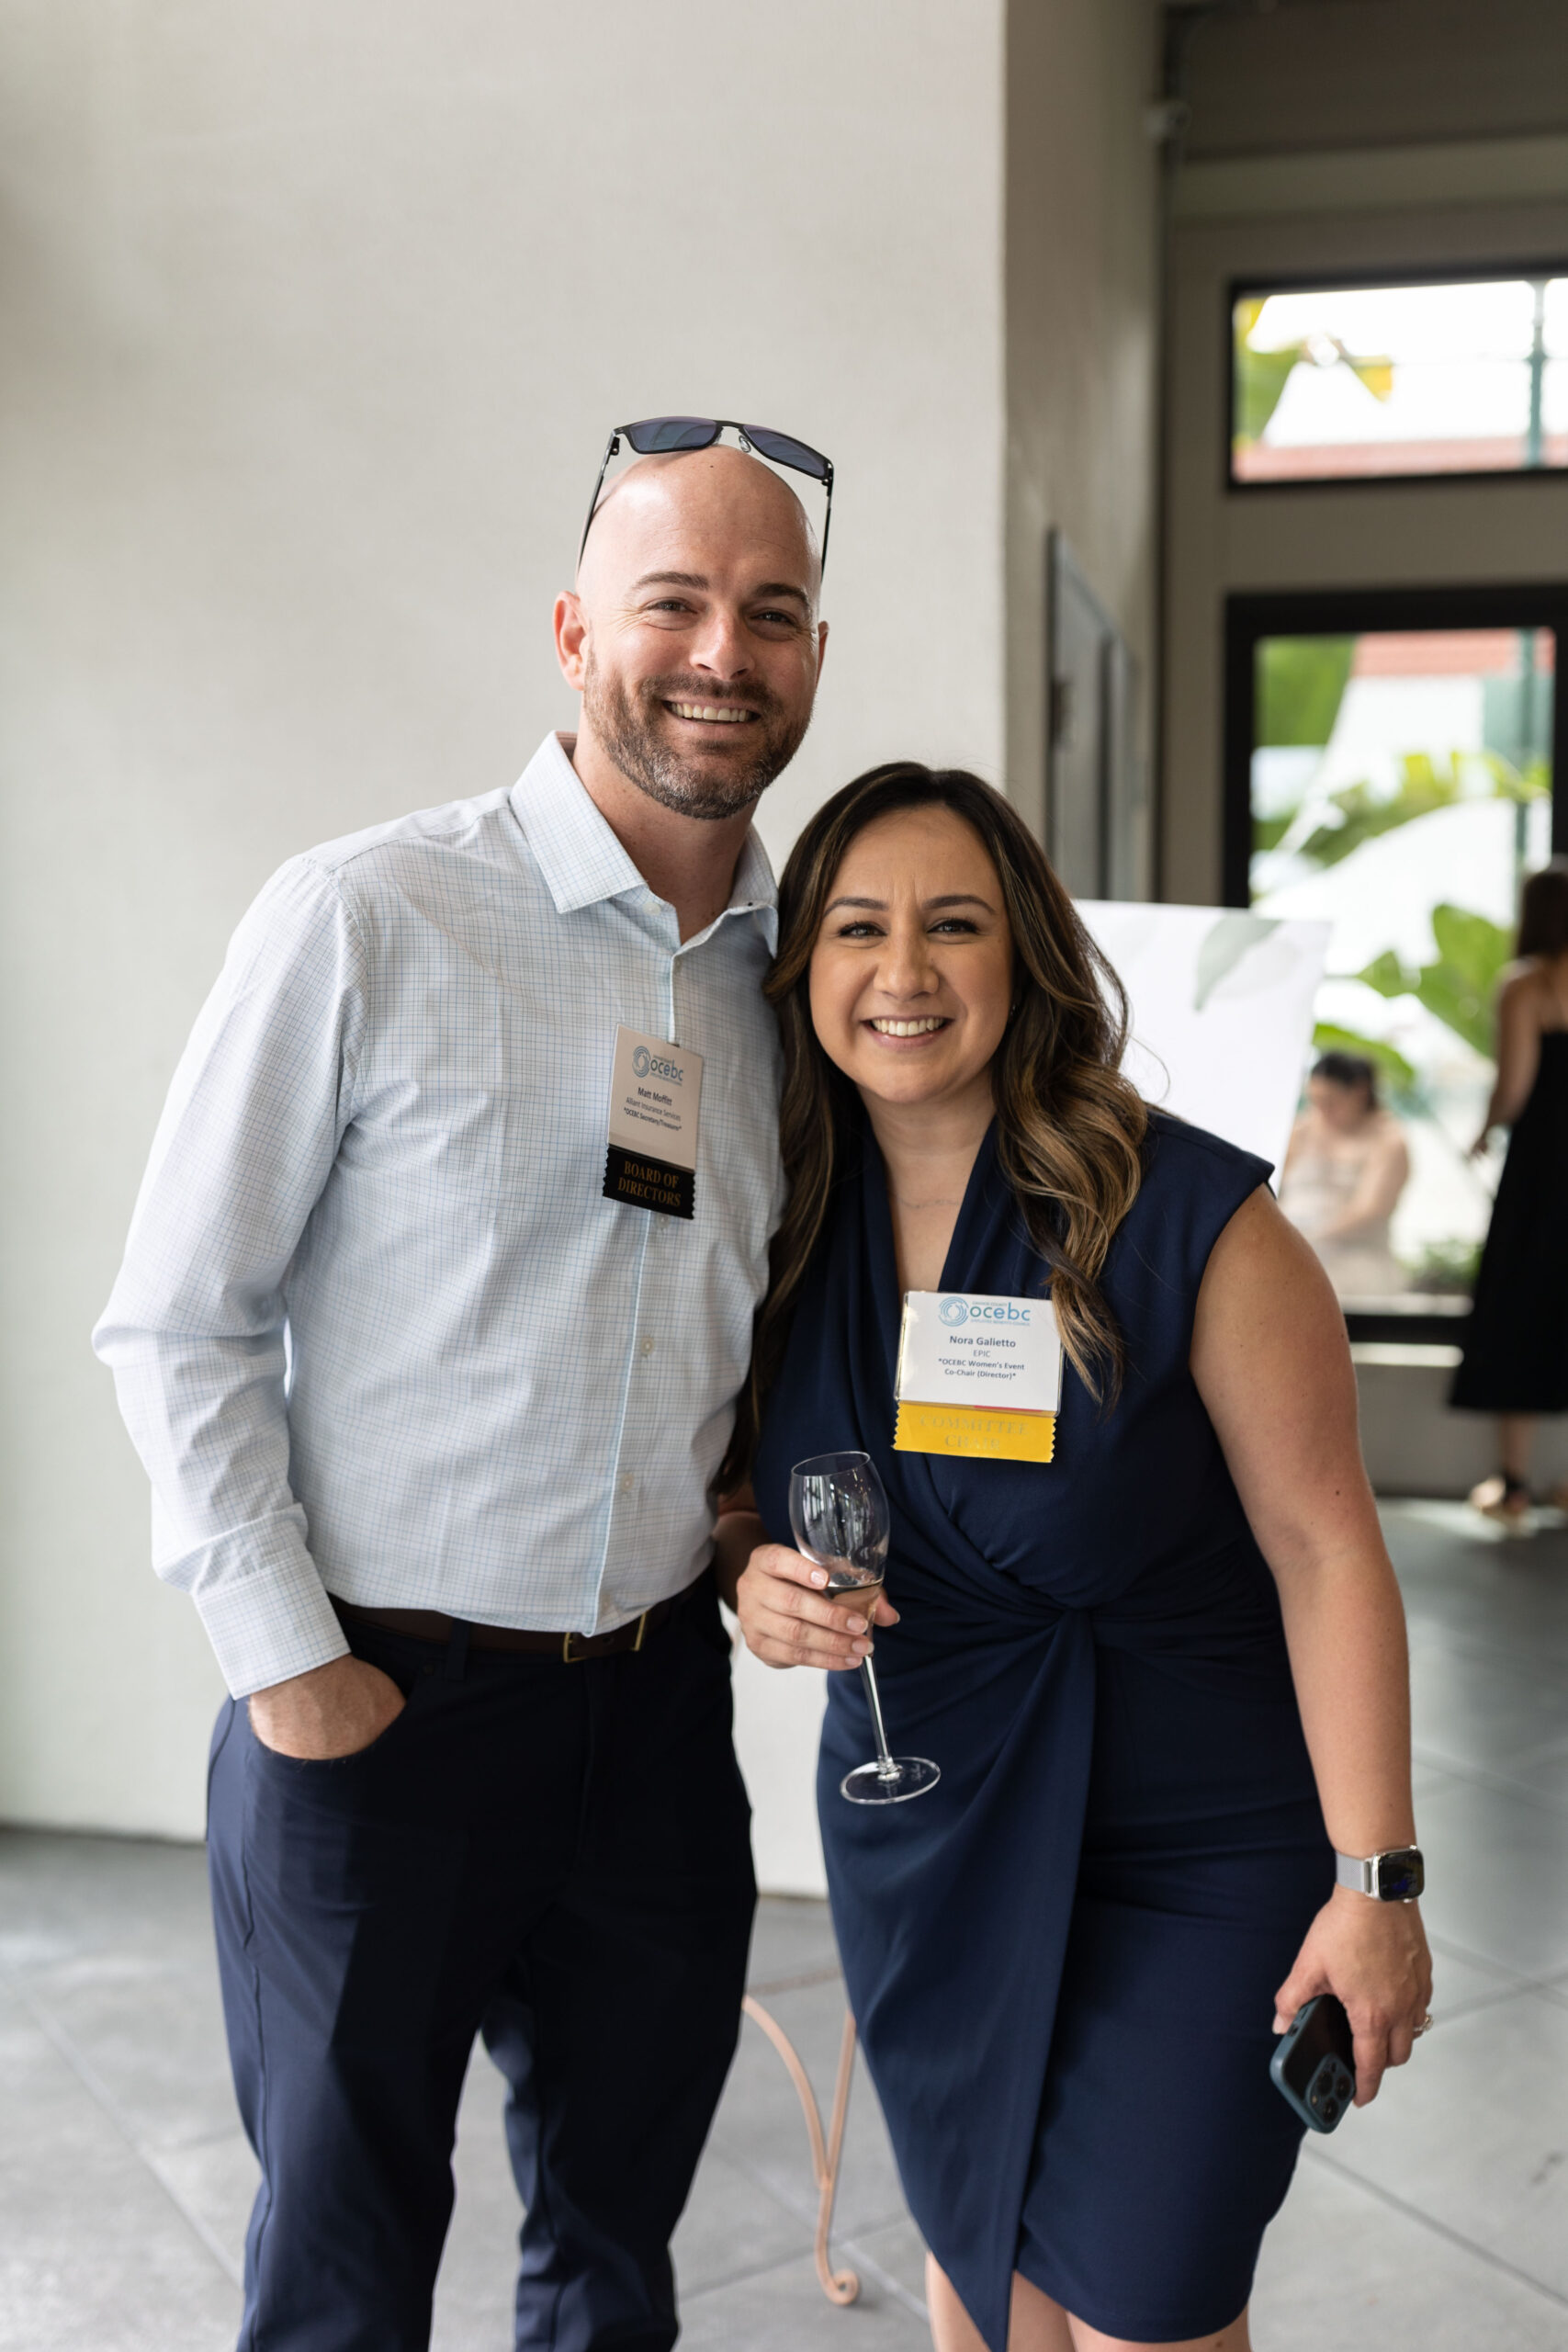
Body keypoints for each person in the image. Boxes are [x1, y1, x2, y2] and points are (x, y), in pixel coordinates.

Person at [93, 428, 829, 2352]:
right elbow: (179, 1316)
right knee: (340, 2284)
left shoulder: (800, 991)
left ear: (814, 658)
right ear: (575, 630)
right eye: (673, 601)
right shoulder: (367, 911)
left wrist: (741, 1534)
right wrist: (288, 1666)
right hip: (381, 1714)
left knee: (614, 2265)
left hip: (654, 1723)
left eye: (769, 611)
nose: (721, 652)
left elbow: (750, 1339)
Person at [718, 764, 1431, 2352]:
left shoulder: (1181, 1215)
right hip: (929, 1834)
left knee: (1143, 2305)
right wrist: (747, 1573)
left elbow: (1325, 1549)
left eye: (953, 925)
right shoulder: (776, 1220)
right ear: (802, 965)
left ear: (1025, 953)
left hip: (1193, 1854)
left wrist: (1375, 1880)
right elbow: (732, 1496)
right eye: (857, 928)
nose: (902, 971)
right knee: (984, 2283)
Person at [1452, 858, 1568, 1532]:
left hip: (1544, 1171)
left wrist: (1484, 1129)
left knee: (1524, 1304)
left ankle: (1515, 1485)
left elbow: (1515, 1087)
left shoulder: (1527, 984)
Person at [1279, 1049, 1409, 1302]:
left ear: (1360, 1092)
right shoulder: (1302, 1130)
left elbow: (1370, 1210)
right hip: (1289, 1249)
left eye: (1331, 1101)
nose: (1323, 1110)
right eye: (1316, 1101)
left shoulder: (1389, 1141)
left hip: (1354, 1260)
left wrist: (1306, 1240)